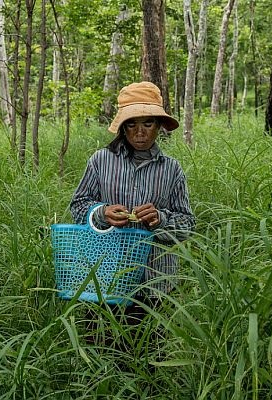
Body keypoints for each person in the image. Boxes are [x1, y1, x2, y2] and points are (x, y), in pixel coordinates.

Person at [70, 81, 195, 311]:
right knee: (102, 344)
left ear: (159, 126)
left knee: (153, 345)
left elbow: (187, 224)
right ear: (122, 127)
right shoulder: (100, 161)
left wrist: (160, 219)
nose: (140, 132)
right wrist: (101, 213)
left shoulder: (172, 169)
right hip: (107, 278)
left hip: (155, 282)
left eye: (148, 123)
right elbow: (78, 206)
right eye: (132, 125)